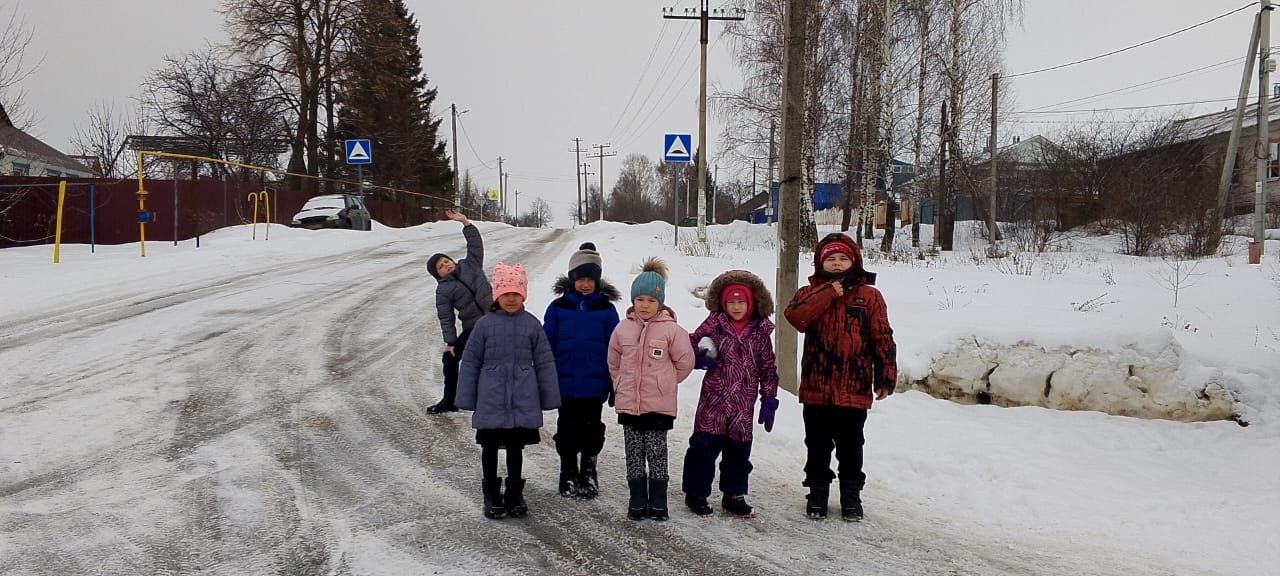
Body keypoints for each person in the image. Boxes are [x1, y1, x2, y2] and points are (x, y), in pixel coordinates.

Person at [783, 232, 897, 522]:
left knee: (851, 448)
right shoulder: (809, 293)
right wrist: (830, 291)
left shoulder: (869, 296)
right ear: (820, 262)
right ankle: (817, 494)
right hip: (816, 387)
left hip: (853, 389)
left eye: (842, 258)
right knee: (817, 447)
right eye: (830, 259)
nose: (836, 263)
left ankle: (851, 497)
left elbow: (882, 337)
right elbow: (795, 317)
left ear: (855, 261)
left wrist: (886, 375)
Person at [457, 263, 560, 519]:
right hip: (491, 396)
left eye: (516, 293)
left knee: (516, 448)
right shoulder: (484, 325)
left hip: (522, 397)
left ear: (523, 295)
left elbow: (545, 362)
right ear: (497, 296)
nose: (511, 299)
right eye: (506, 294)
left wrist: (549, 397)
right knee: (489, 447)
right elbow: (470, 361)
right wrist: (466, 397)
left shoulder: (532, 325)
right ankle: (491, 493)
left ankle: (514, 492)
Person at [682, 270, 779, 518]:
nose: (736, 307)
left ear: (752, 303)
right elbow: (690, 344)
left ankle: (734, 494)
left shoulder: (760, 332)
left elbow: (768, 368)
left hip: (742, 405)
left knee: (738, 453)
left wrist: (769, 399)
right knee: (703, 450)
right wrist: (699, 358)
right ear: (723, 304)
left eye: (741, 302)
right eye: (731, 302)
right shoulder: (714, 323)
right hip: (713, 401)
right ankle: (696, 492)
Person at [608, 257, 695, 521]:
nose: (645, 305)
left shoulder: (671, 331)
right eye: (640, 300)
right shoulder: (623, 329)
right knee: (634, 453)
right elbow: (613, 361)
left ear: (660, 303)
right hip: (630, 406)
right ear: (633, 301)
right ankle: (637, 497)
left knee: (657, 453)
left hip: (658, 406)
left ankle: (658, 499)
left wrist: (665, 383)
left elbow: (685, 361)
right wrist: (621, 383)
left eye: (651, 301)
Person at [543, 242, 621, 499]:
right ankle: (567, 471)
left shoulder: (606, 310)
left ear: (597, 281)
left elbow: (616, 347)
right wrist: (545, 374)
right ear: (571, 279)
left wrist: (613, 380)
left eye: (590, 279)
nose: (585, 284)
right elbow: (546, 343)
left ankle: (588, 470)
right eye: (580, 278)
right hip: (563, 383)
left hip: (594, 384)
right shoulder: (558, 308)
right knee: (566, 429)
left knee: (591, 429)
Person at [426, 209, 492, 414]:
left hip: (497, 317)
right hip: (474, 327)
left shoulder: (470, 264)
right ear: (438, 275)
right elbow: (446, 318)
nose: (446, 265)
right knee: (450, 358)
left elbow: (475, 245)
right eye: (441, 267)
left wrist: (466, 224)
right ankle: (450, 399)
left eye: (446, 261)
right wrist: (451, 343)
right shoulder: (443, 290)